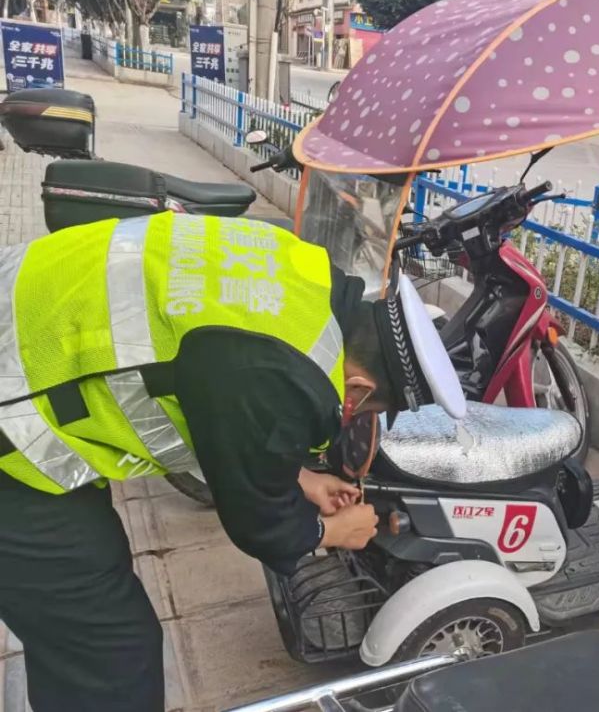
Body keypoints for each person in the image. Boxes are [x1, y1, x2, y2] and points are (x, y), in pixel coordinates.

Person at [0, 211, 467, 711]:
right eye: (359, 411)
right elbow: (256, 519)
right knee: (108, 652)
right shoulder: (277, 372)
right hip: (13, 418)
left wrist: (300, 476)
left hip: (22, 318)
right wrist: (329, 532)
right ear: (359, 387)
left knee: (89, 612)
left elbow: (217, 396)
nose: (348, 417)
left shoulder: (304, 270)